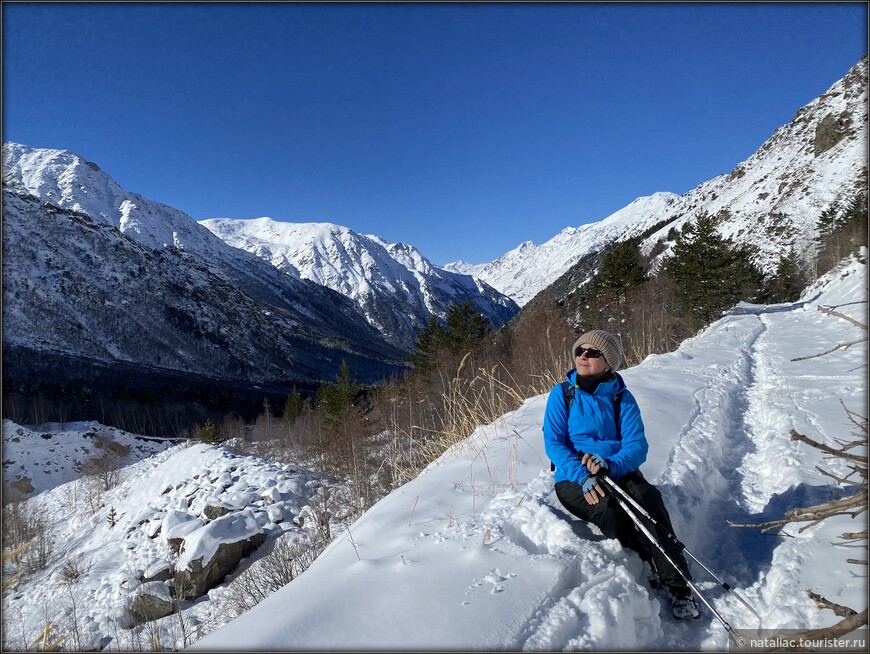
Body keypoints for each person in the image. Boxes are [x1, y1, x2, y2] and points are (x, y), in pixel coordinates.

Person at [542, 329, 701, 620]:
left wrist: (609, 465)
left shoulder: (621, 398)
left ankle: (679, 586)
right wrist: (583, 475)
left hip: (617, 468)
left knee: (648, 498)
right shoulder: (562, 394)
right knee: (610, 509)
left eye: (592, 353)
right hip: (573, 477)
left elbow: (637, 445)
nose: (583, 357)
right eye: (580, 351)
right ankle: (644, 560)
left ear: (608, 362)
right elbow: (554, 443)